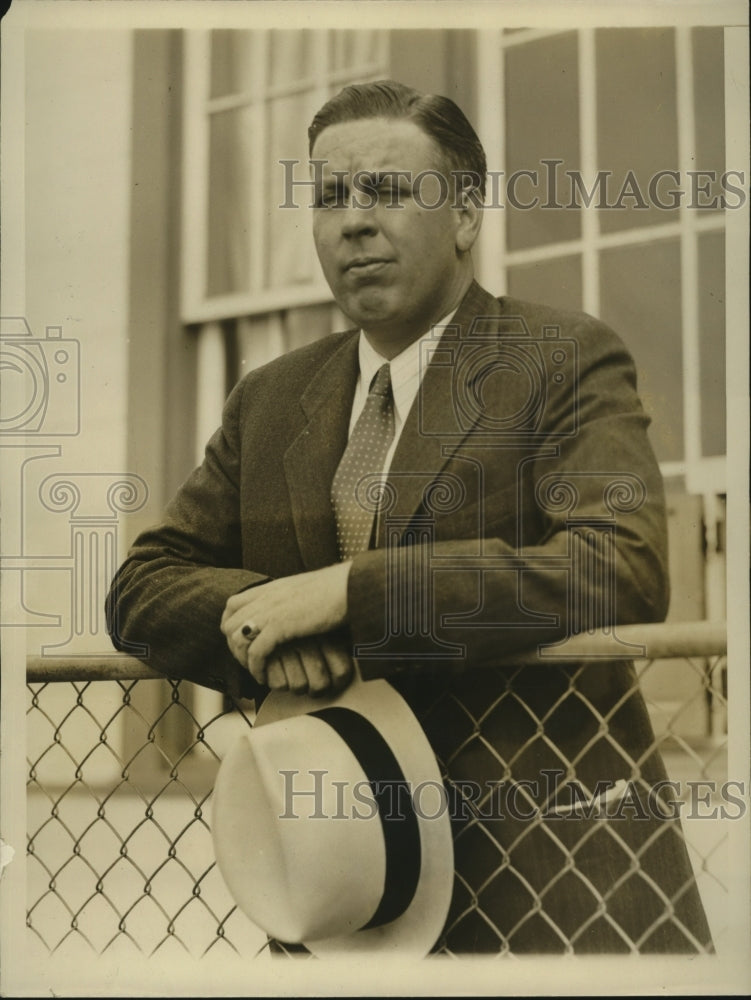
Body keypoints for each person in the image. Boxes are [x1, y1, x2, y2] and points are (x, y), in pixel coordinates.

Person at [106, 80, 713, 955]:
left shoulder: (558, 357)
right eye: (328, 198)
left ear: (465, 216)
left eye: (386, 192)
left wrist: (352, 595)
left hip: (546, 885)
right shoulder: (270, 400)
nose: (352, 221)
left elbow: (618, 567)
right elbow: (142, 586)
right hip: (345, 881)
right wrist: (262, 620)